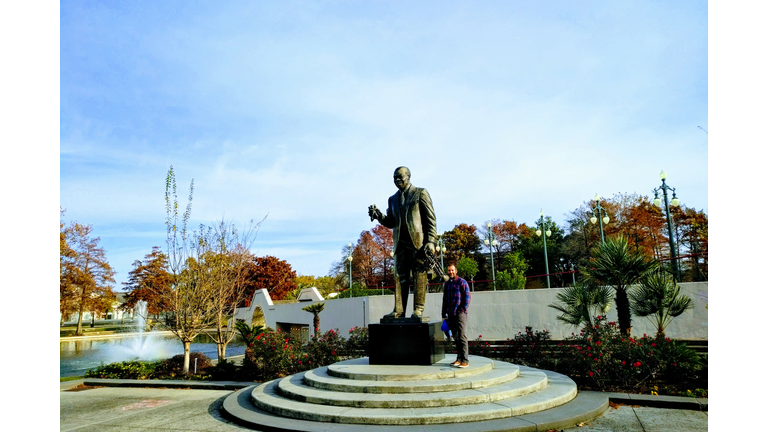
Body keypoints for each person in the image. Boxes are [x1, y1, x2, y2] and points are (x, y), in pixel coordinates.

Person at [368, 166, 437, 319]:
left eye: (400, 177)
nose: (397, 180)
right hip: (400, 243)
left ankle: (418, 310)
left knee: (419, 274)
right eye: (395, 178)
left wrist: (431, 241)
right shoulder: (392, 199)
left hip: (418, 243)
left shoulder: (421, 193)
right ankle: (398, 310)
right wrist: (379, 216)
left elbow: (430, 220)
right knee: (399, 276)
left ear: (408, 176)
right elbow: (391, 222)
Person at [441, 263, 471, 368]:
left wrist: (462, 309)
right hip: (450, 314)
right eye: (449, 270)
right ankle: (458, 359)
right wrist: (443, 314)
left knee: (462, 336)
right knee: (456, 337)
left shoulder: (462, 282)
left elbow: (467, 297)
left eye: (452, 270)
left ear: (456, 271)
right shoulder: (447, 284)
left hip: (460, 314)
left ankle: (465, 360)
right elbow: (445, 300)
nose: (451, 272)